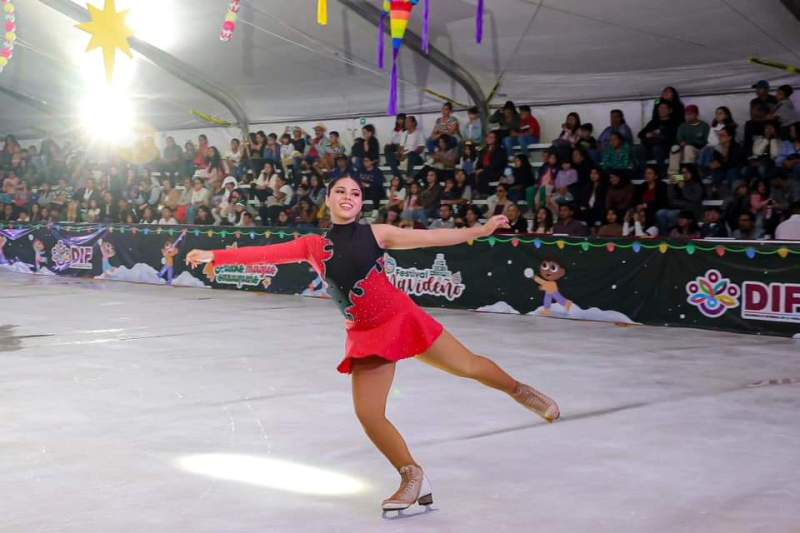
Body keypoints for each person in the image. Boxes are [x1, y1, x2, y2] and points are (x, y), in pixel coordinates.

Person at [185, 175, 560, 511]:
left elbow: (433, 238)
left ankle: (519, 390)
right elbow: (266, 254)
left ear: (361, 202)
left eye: (355, 192)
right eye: (340, 191)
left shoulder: (377, 233)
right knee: (369, 414)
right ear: (328, 200)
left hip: (402, 318)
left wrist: (480, 229)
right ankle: (412, 476)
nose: (348, 196)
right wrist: (216, 254)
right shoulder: (313, 245)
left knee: (470, 366)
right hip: (366, 335)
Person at [669, 105, 709, 174]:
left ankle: (688, 174)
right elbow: (679, 139)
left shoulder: (704, 126)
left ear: (696, 114)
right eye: (686, 114)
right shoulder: (682, 126)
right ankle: (675, 177)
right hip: (683, 149)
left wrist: (690, 143)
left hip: (699, 151)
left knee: (688, 148)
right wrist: (682, 143)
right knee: (674, 148)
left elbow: (706, 142)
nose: (688, 116)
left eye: (690, 114)